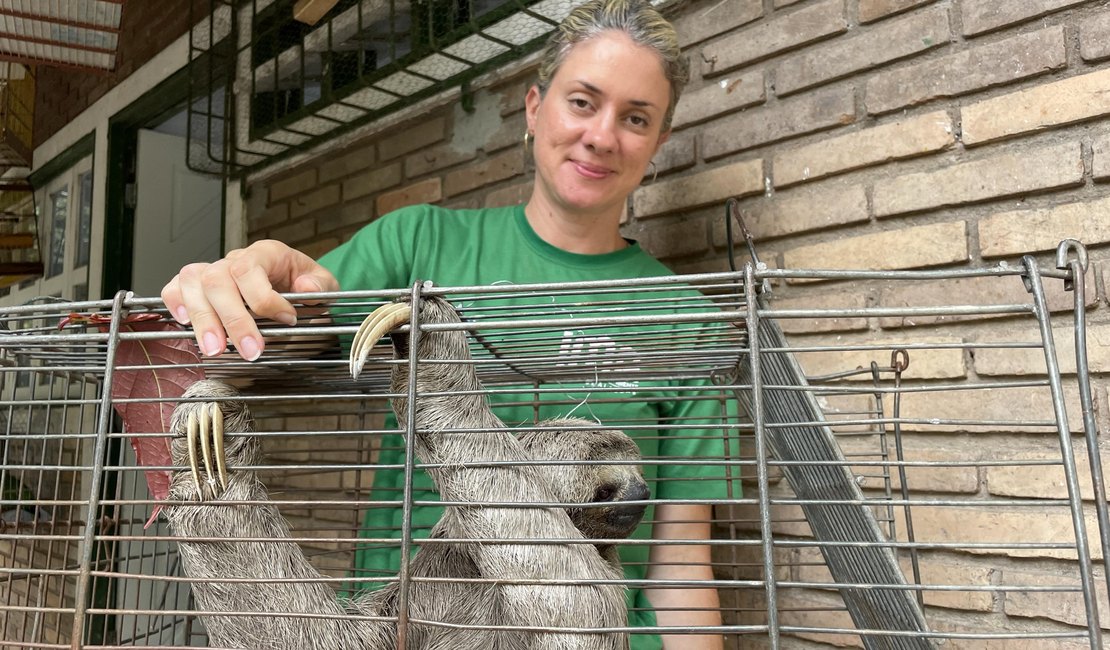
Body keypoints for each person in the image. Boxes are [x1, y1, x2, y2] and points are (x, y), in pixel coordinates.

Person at [162, 1, 729, 648]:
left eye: (635, 118)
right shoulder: (420, 246)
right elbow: (258, 359)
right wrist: (243, 288)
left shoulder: (692, 324)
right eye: (581, 102)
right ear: (533, 107)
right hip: (404, 626)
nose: (602, 135)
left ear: (657, 141)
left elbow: (682, 569)